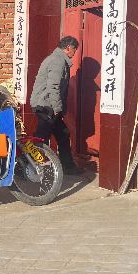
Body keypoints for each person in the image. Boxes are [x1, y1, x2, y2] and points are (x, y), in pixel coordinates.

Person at [30, 36, 84, 175]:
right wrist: (57, 108)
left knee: (62, 134)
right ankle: (30, 167)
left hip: (47, 104)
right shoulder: (57, 61)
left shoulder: (58, 59)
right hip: (46, 105)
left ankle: (68, 167)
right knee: (41, 139)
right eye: (75, 49)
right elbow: (53, 87)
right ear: (68, 48)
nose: (75, 52)